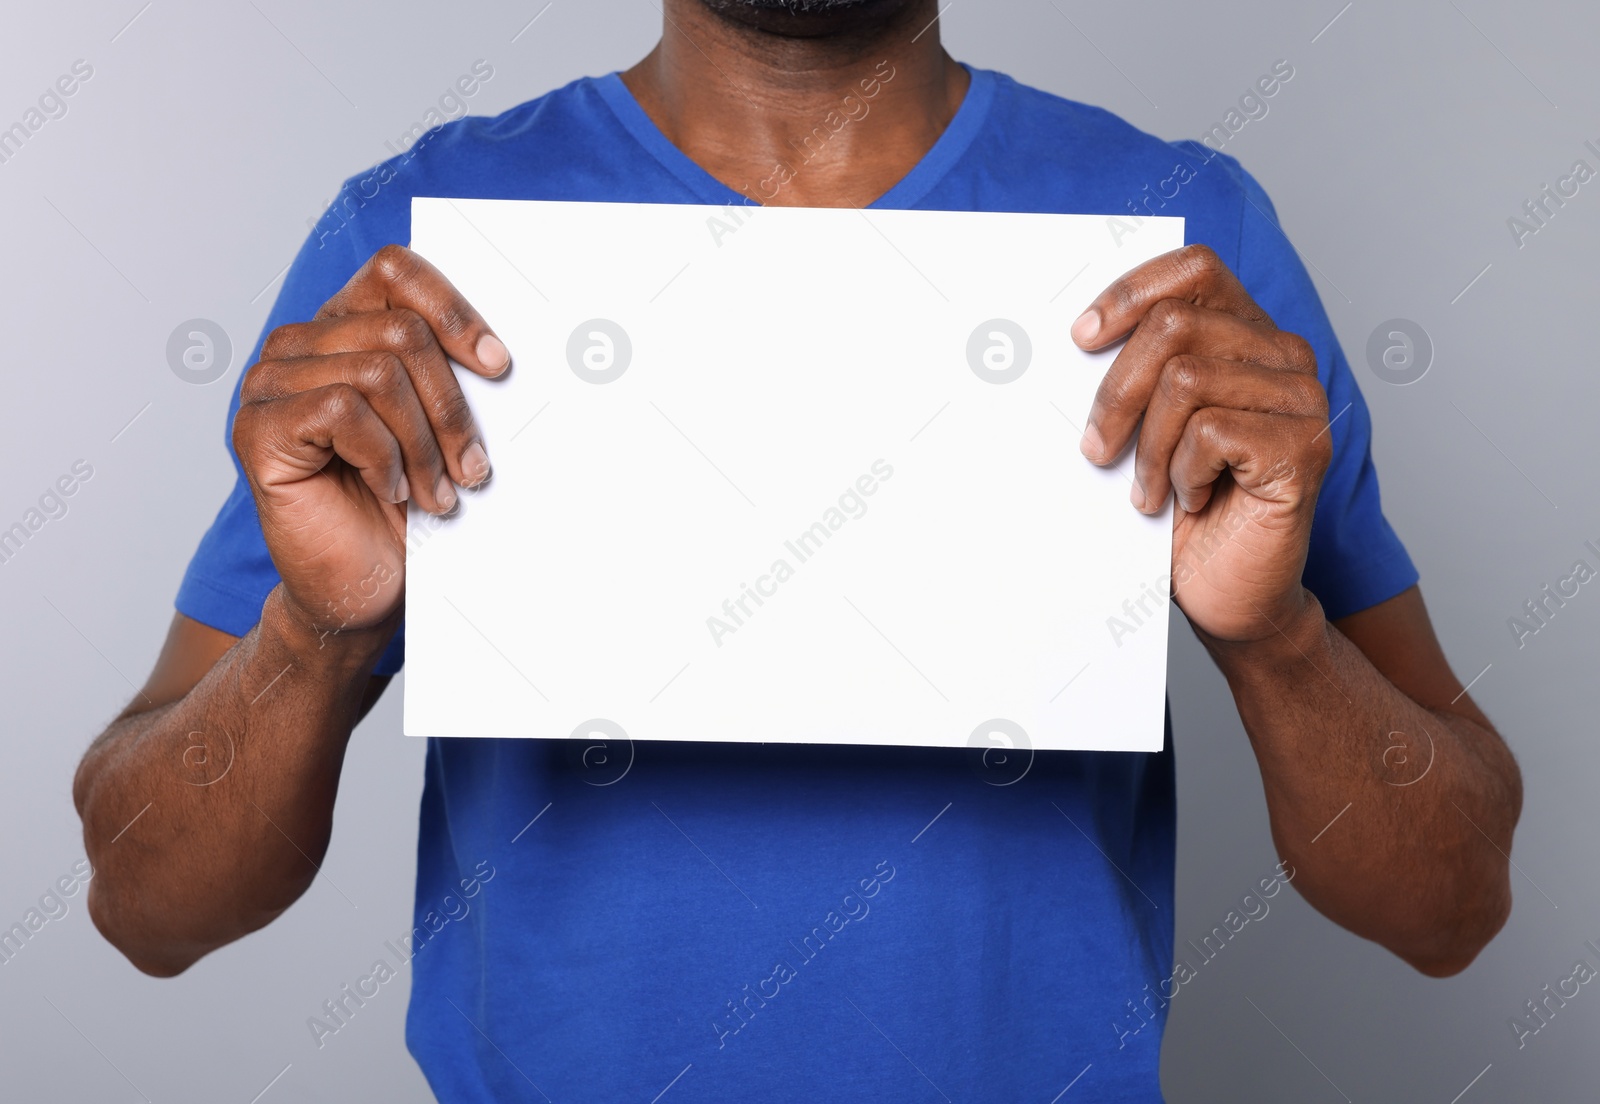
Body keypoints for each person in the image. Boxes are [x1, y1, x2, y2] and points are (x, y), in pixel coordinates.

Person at [72, 1, 1522, 1099]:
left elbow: (1452, 901)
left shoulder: (1183, 241)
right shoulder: (416, 252)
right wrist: (317, 636)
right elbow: (149, 904)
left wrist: (1273, 642)